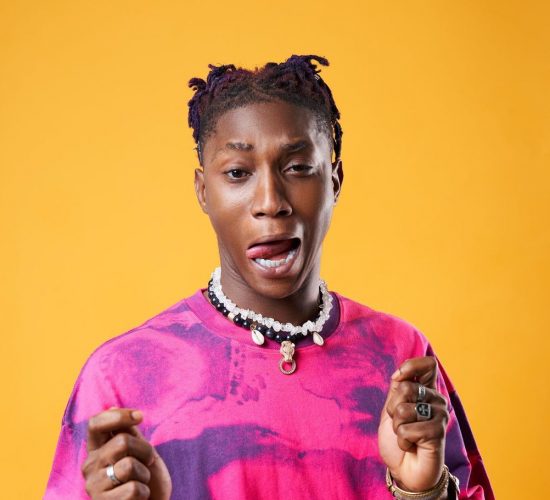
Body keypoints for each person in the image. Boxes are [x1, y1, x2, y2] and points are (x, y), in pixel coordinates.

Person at [44, 55, 494, 500]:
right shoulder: (122, 376)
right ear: (204, 191)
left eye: (297, 168)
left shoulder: (401, 356)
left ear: (334, 182)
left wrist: (425, 491)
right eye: (238, 173)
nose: (270, 201)